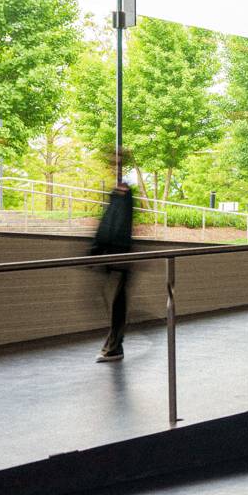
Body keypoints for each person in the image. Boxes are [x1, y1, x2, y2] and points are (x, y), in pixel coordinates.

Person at [92, 152, 135, 362]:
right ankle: (114, 345)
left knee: (117, 302)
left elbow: (116, 225)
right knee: (115, 301)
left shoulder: (123, 195)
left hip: (118, 256)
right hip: (113, 255)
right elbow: (109, 223)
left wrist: (100, 249)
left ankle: (114, 347)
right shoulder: (117, 194)